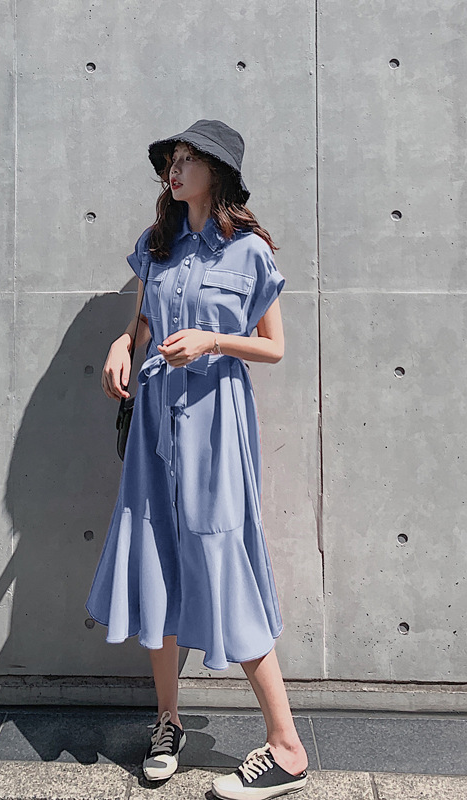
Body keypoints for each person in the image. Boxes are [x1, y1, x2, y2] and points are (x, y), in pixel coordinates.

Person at [86, 119, 308, 800]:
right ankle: (168, 721)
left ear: (218, 173)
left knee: (221, 557)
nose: (173, 170)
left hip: (215, 424)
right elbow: (145, 319)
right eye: (171, 160)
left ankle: (287, 746)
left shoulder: (249, 253)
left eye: (187, 160)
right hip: (156, 421)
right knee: (156, 555)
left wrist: (213, 340)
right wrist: (124, 343)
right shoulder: (158, 244)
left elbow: (274, 347)